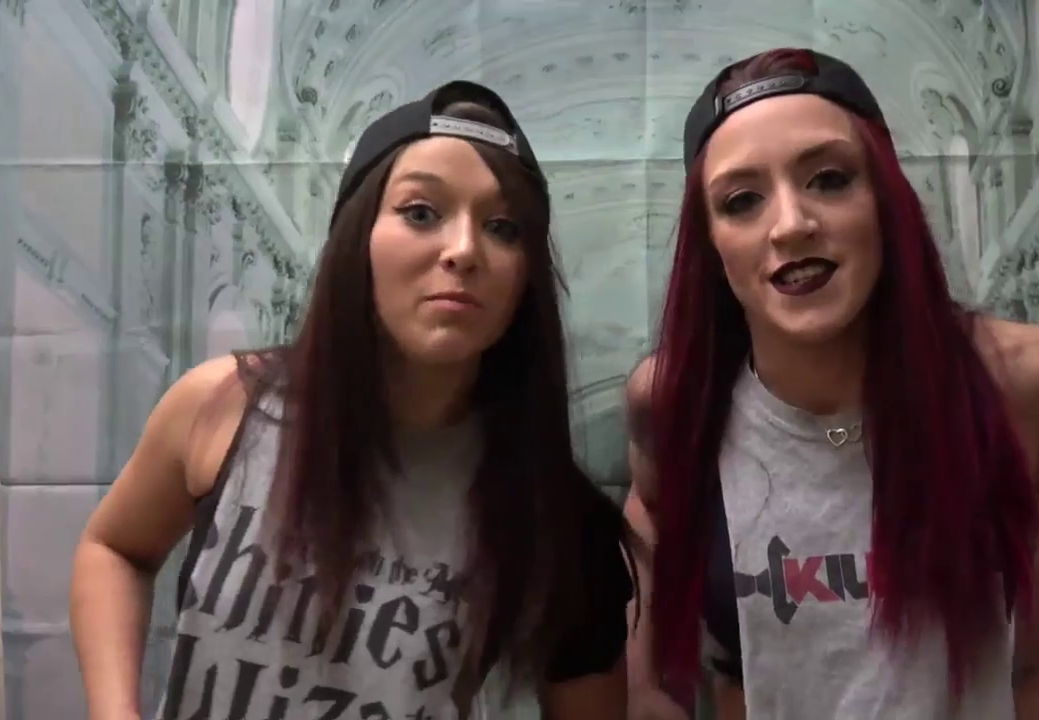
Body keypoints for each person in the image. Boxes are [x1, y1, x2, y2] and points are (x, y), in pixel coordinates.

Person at [70, 80, 634, 720]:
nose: (463, 250)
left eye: (503, 227)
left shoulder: (555, 520)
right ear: (357, 233)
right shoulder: (226, 405)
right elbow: (115, 549)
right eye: (421, 212)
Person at [622, 48, 1039, 720]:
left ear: (885, 200)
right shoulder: (676, 399)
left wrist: (1037, 679)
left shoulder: (1022, 380)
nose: (791, 224)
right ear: (710, 242)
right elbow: (648, 510)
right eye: (742, 201)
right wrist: (645, 685)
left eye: (830, 179)